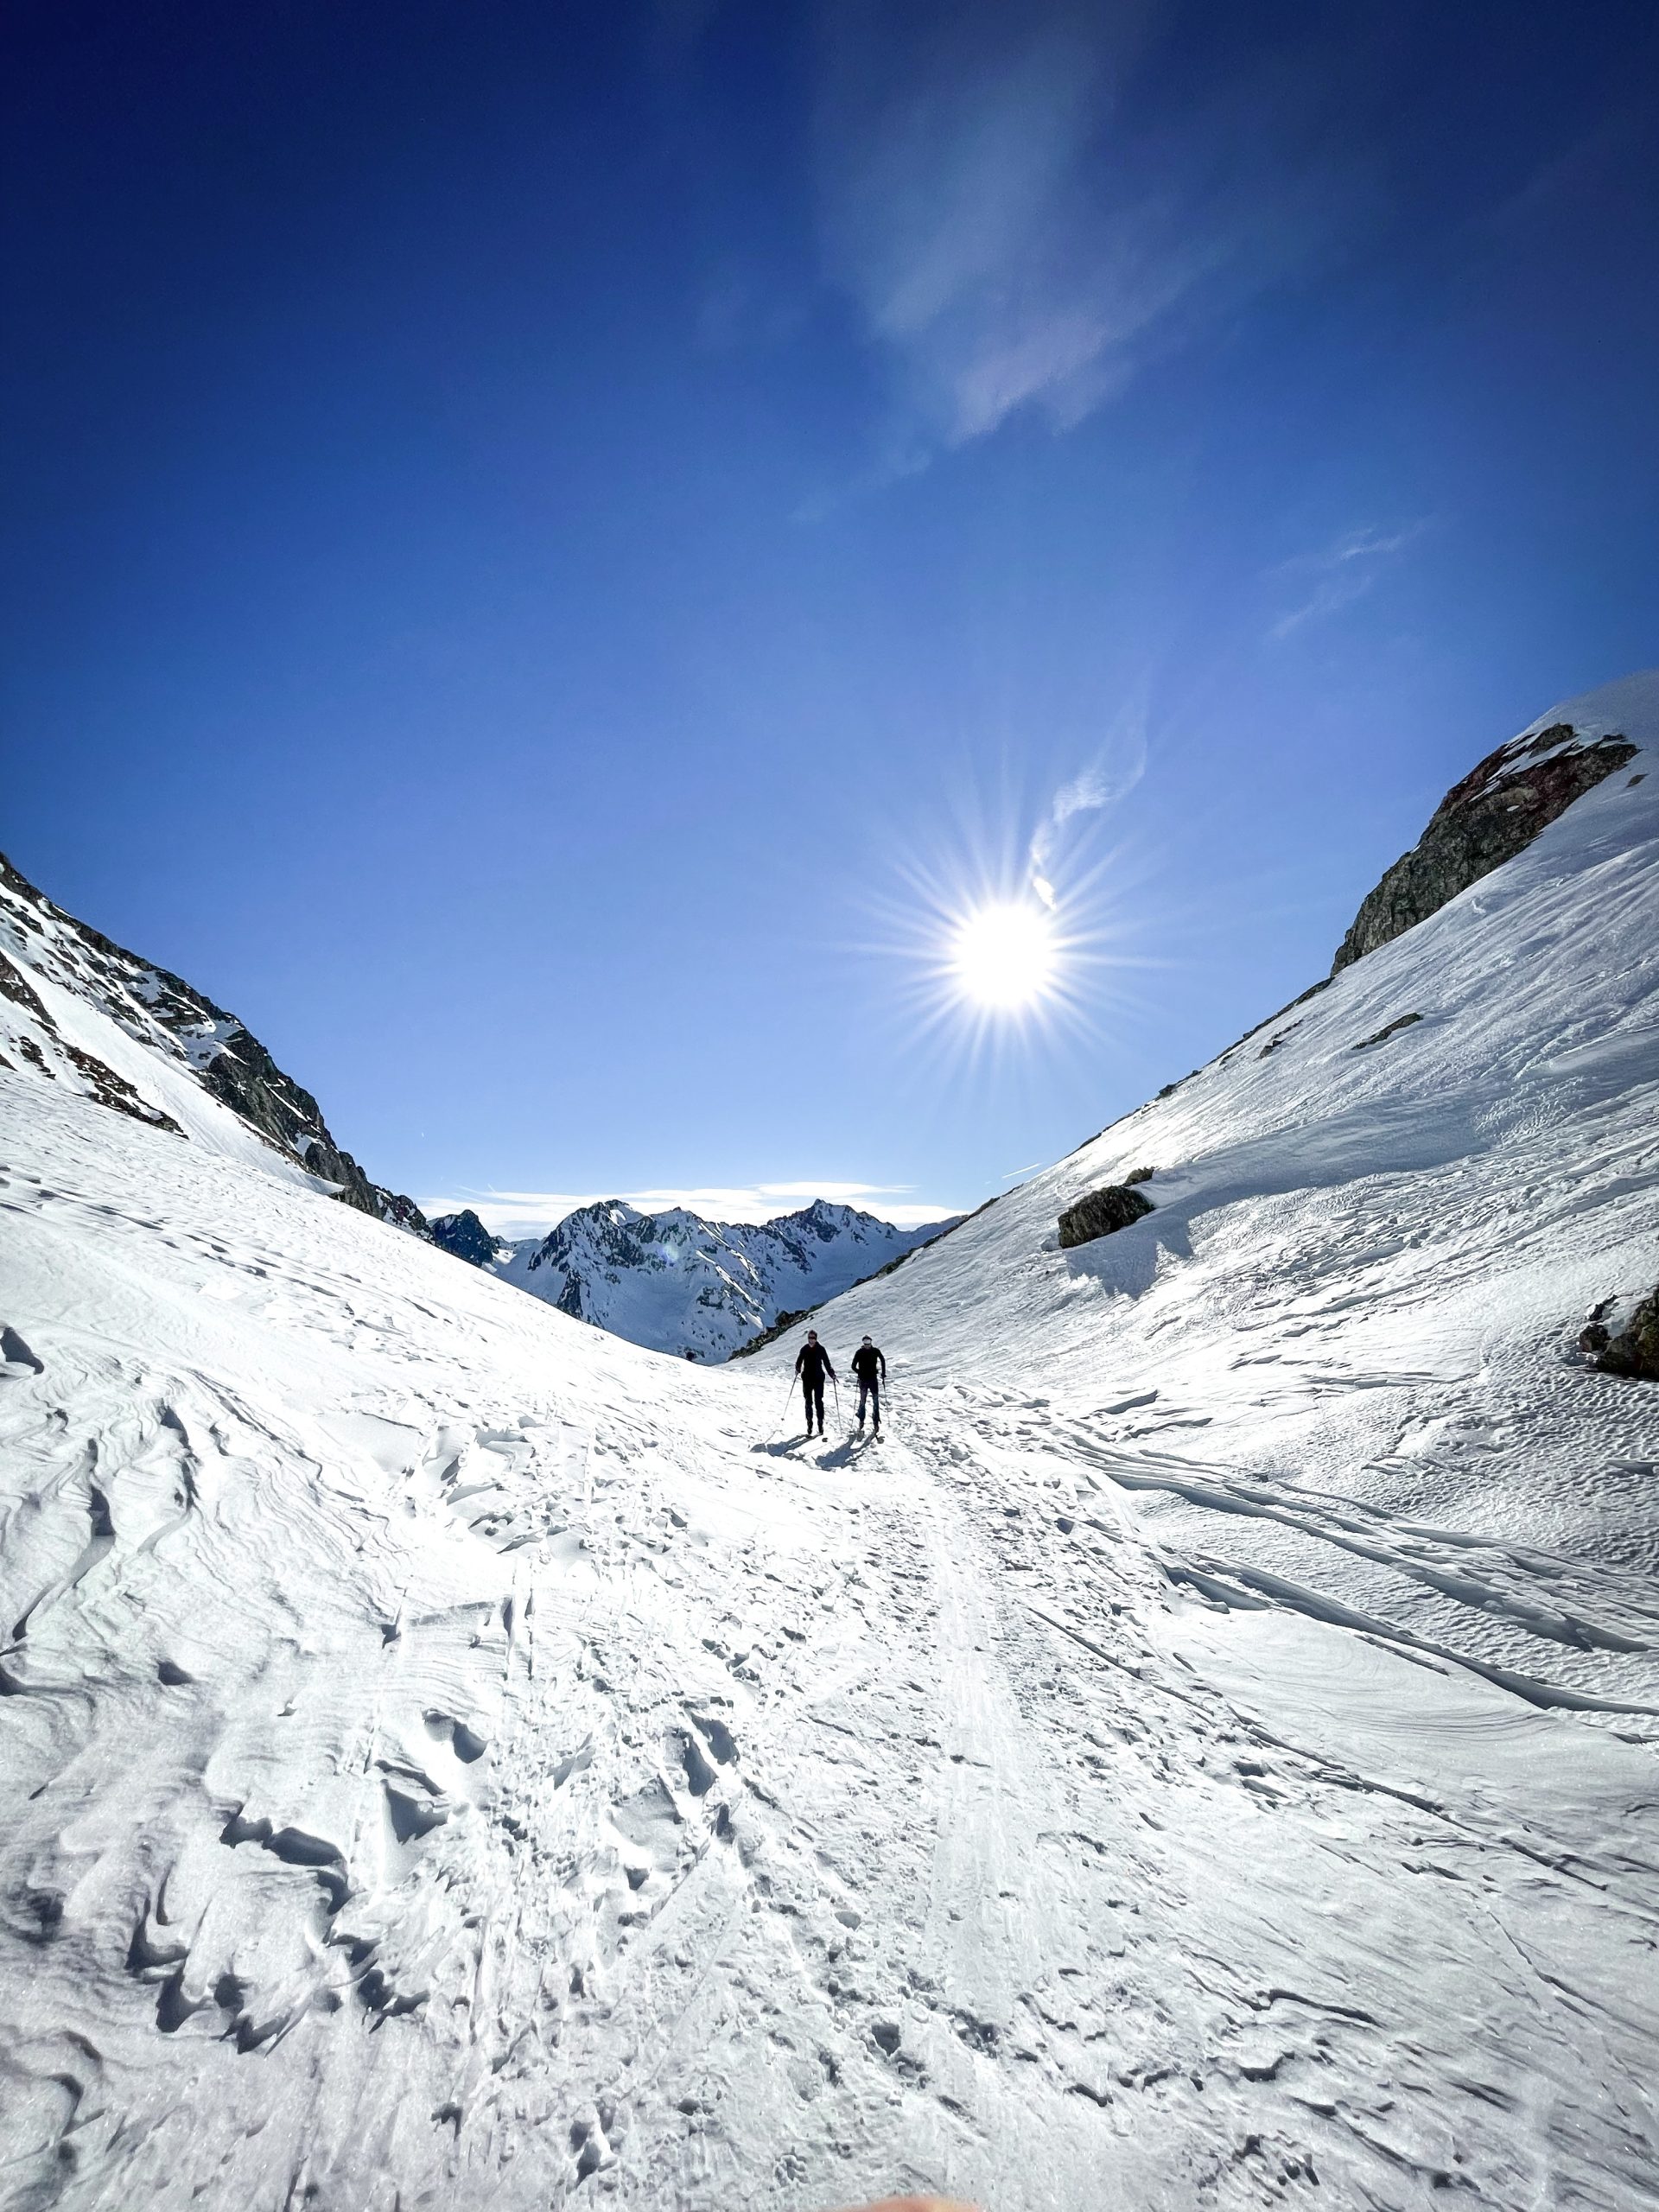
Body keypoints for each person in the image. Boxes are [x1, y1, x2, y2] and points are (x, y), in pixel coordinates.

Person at [794, 1328, 836, 1437]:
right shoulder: (804, 1349)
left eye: (813, 1338)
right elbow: (799, 1360)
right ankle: (809, 1424)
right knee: (808, 1401)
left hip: (818, 1378)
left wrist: (831, 1373)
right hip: (807, 1378)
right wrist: (797, 1368)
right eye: (809, 1338)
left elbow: (827, 1363)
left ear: (816, 1339)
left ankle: (820, 1424)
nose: (811, 1340)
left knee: (818, 1401)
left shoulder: (821, 1349)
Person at [850, 1334, 886, 1435]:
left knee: (875, 1400)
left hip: (872, 1379)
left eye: (868, 1342)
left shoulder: (875, 1351)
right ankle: (861, 1420)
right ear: (863, 1343)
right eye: (865, 1343)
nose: (867, 1345)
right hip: (863, 1380)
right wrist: (859, 1372)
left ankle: (875, 1420)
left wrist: (883, 1373)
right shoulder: (860, 1352)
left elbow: (883, 1360)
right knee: (863, 1400)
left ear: (871, 1342)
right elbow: (853, 1366)